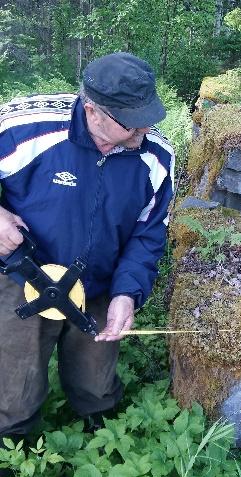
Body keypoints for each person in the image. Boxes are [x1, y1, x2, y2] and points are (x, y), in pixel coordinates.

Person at [0, 52, 175, 446]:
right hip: (22, 277)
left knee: (96, 383)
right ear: (92, 110)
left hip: (98, 284)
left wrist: (127, 293)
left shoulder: (156, 156)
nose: (141, 133)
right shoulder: (23, 126)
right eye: (130, 123)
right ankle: (14, 452)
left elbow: (148, 234)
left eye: (147, 117)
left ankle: (102, 438)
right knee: (13, 386)